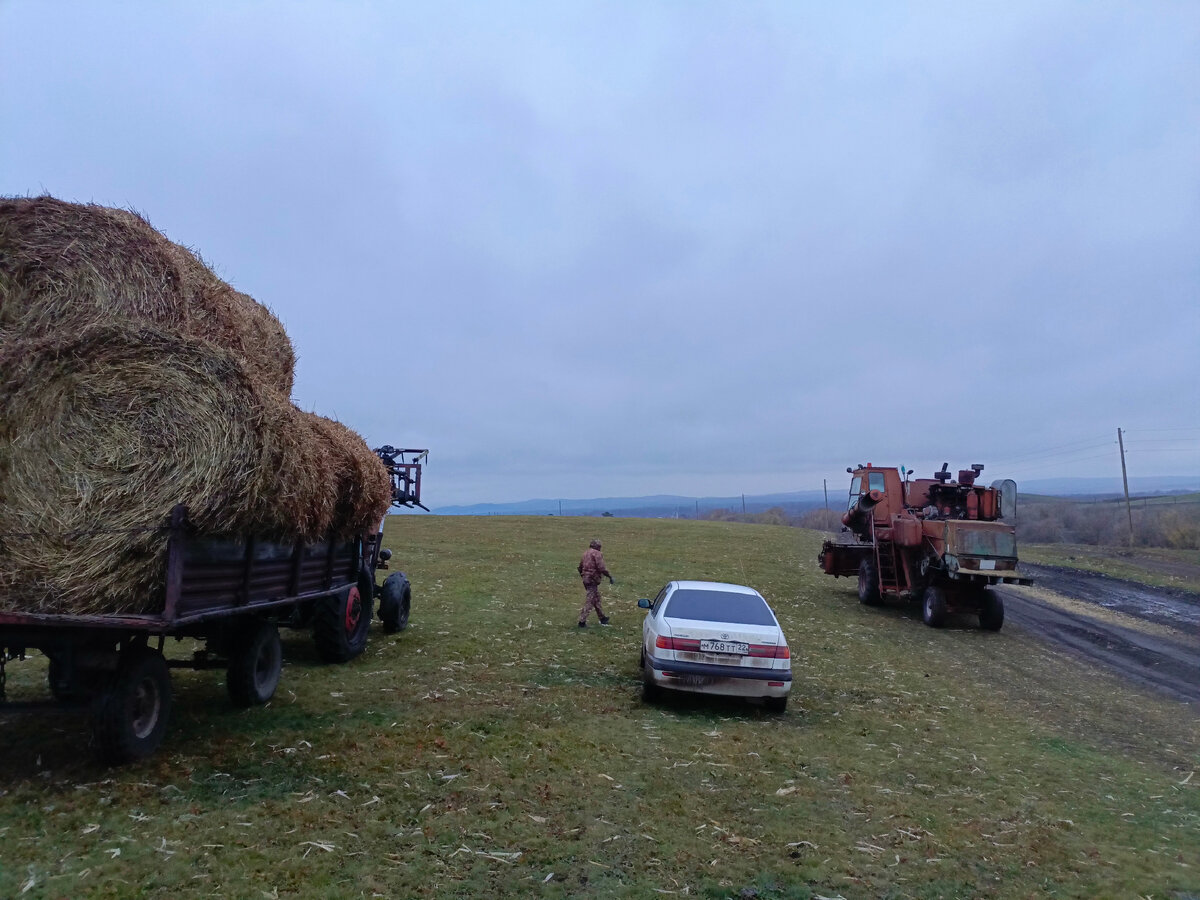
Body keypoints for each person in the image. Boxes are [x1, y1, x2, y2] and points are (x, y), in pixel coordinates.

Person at [576, 539, 614, 627]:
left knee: (596, 598)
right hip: (593, 579)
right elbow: (601, 567)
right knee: (590, 600)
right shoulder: (597, 554)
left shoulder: (585, 553)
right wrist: (609, 576)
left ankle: (602, 618)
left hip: (586, 579)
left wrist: (584, 576)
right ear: (598, 547)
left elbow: (580, 567)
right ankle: (582, 621)